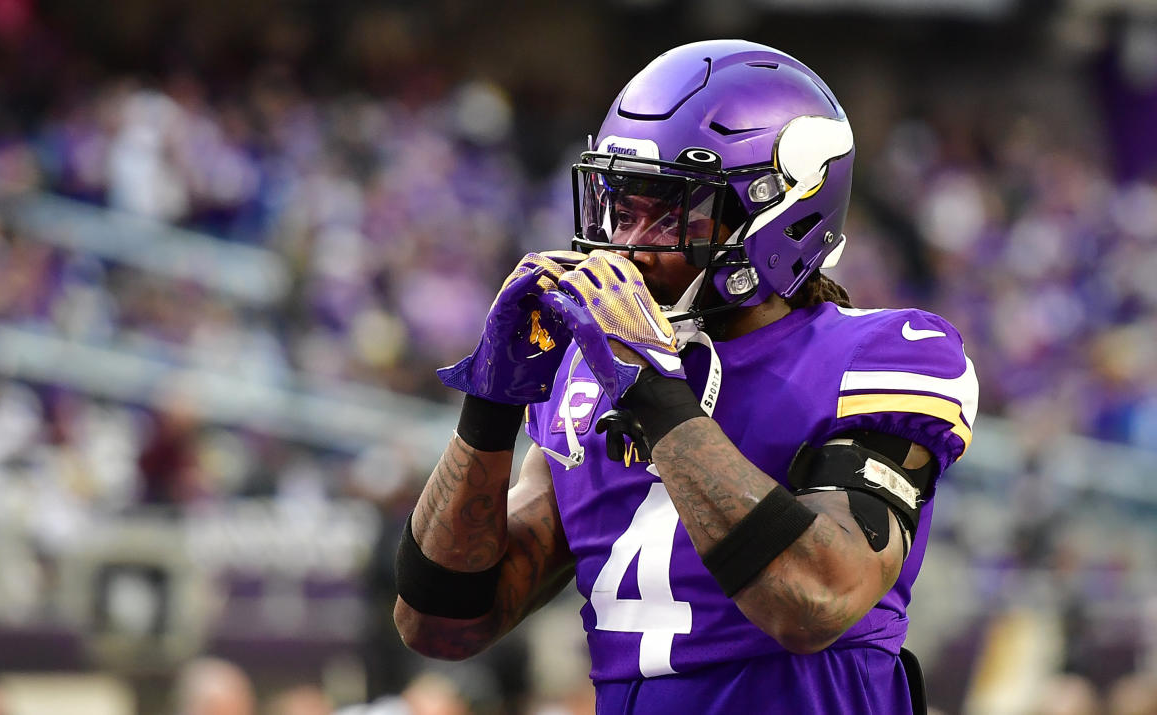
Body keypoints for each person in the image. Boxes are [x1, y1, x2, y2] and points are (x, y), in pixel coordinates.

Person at [393, 39, 978, 714]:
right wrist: (490, 406)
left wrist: (655, 394)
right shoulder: (589, 376)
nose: (630, 243)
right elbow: (439, 623)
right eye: (620, 205)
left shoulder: (885, 352)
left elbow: (815, 596)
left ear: (774, 212)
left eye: (670, 213)